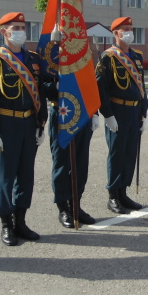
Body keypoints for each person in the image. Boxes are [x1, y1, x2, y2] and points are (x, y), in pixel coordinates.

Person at [0, 12, 47, 246]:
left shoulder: (33, 59)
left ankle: (21, 221)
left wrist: (41, 123)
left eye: (22, 27)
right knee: (6, 178)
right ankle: (6, 224)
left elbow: (41, 92)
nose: (20, 31)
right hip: (6, 126)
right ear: (3, 32)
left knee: (26, 176)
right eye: (15, 27)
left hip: (29, 124)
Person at [95, 17, 148, 215]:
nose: (129, 32)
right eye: (125, 29)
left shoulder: (136, 56)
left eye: (130, 28)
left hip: (134, 111)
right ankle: (113, 196)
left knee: (129, 153)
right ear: (115, 33)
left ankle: (123, 193)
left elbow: (141, 87)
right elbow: (101, 88)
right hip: (117, 111)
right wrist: (107, 114)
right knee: (117, 153)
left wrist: (143, 112)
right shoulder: (108, 58)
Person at [43, 80, 99, 229]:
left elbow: (89, 82)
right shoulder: (50, 57)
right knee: (61, 163)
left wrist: (95, 112)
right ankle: (63, 209)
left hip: (83, 113)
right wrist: (54, 85)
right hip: (62, 112)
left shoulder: (82, 57)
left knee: (81, 163)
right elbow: (41, 85)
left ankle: (75, 205)